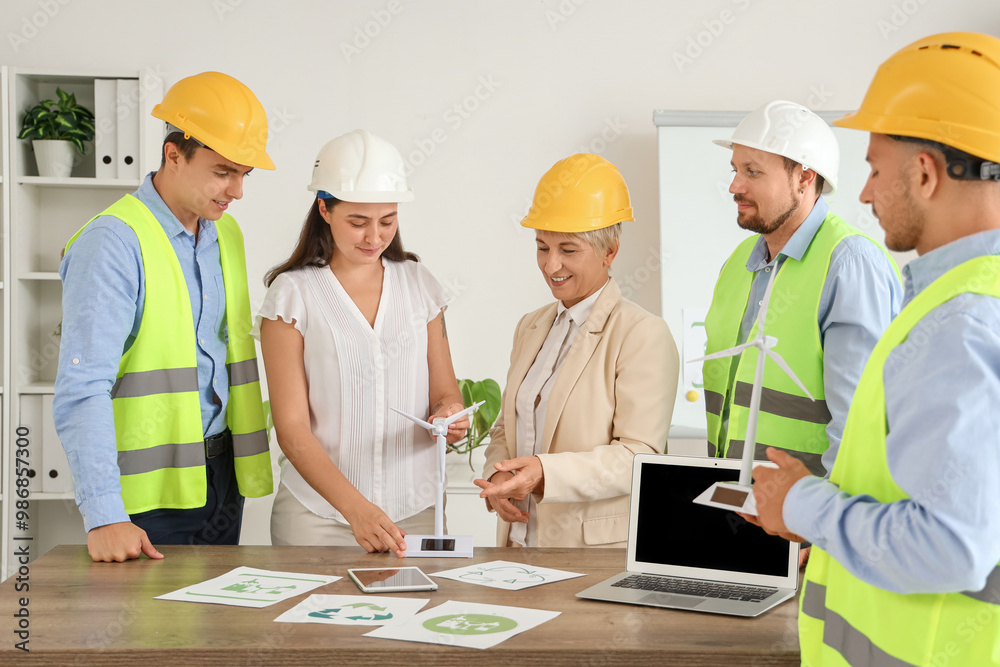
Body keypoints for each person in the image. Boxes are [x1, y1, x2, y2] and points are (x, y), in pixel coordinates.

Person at [749, 32, 1000, 666]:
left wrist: (801, 502)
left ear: (925, 173)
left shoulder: (959, 325)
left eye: (873, 169)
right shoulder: (965, 302)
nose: (862, 194)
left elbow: (949, 545)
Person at [54, 72, 275, 562]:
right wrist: (106, 515)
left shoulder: (225, 233)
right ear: (174, 154)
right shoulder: (112, 242)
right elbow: (81, 386)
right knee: (150, 637)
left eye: (245, 174)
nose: (237, 190)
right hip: (144, 500)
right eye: (223, 171)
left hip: (221, 478)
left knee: (215, 634)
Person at [255, 130, 467, 557]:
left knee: (410, 622)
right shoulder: (291, 295)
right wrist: (357, 510)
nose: (374, 237)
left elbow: (446, 392)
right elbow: (292, 428)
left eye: (387, 221)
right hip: (318, 518)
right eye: (358, 222)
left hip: (417, 512)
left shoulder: (420, 285)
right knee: (318, 623)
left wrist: (452, 416)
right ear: (324, 210)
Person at [474, 153, 679, 548]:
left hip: (589, 553)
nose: (552, 266)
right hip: (517, 544)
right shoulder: (530, 326)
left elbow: (638, 455)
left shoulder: (641, 334)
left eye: (569, 250)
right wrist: (499, 474)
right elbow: (507, 425)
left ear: (610, 251)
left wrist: (543, 473)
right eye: (542, 248)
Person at [704, 100, 902, 478]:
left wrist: (823, 521)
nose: (734, 186)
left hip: (808, 520)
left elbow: (860, 426)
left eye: (753, 172)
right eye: (735, 170)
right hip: (738, 502)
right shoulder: (738, 263)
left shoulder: (850, 264)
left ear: (804, 178)